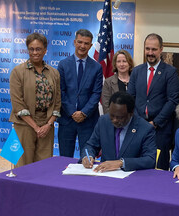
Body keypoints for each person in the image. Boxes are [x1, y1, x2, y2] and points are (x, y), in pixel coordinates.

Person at [127, 33, 179, 170]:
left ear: (161, 49)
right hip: (137, 127)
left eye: (154, 49)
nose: (150, 53)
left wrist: (155, 123)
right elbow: (130, 98)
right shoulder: (136, 71)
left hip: (160, 130)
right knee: (137, 166)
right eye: (147, 49)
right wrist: (139, 121)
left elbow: (172, 100)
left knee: (158, 168)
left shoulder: (170, 72)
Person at [9, 33, 61, 167]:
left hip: (46, 125)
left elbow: (57, 102)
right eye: (31, 49)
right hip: (25, 124)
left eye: (38, 49)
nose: (34, 52)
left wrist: (48, 125)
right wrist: (36, 127)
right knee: (22, 164)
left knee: (43, 166)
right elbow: (17, 103)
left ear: (45, 50)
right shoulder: (18, 71)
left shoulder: (53, 73)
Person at [80, 92, 156, 172]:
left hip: (131, 176)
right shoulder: (103, 121)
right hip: (104, 174)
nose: (115, 120)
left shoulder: (145, 128)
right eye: (112, 115)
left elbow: (150, 159)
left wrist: (121, 163)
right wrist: (87, 156)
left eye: (120, 117)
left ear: (131, 113)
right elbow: (91, 145)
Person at [57, 29, 103, 158]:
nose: (82, 46)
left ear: (91, 45)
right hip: (67, 119)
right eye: (80, 42)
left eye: (86, 43)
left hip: (88, 120)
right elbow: (61, 91)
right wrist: (72, 112)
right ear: (74, 42)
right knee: (64, 159)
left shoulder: (97, 67)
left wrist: (83, 113)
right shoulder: (63, 64)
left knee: (87, 158)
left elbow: (96, 93)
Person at [101, 50, 134, 114]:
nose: (121, 64)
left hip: (134, 120)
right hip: (115, 120)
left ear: (129, 63)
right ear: (115, 64)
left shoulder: (136, 80)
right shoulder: (108, 82)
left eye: (124, 61)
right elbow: (106, 106)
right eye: (118, 61)